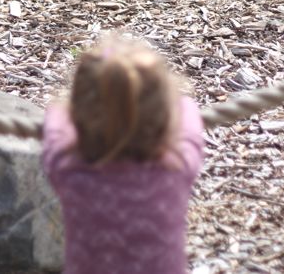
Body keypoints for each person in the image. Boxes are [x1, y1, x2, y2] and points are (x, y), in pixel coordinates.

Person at [42, 34, 204, 274]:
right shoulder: (176, 166)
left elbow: (55, 118)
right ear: (163, 119)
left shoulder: (67, 169)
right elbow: (187, 110)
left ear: (79, 116)